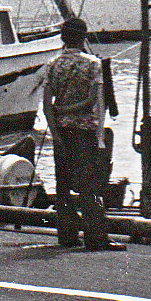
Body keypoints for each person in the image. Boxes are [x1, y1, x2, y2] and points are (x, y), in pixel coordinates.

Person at [42, 17, 124, 251]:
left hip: (61, 132)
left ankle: (66, 236)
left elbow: (47, 106)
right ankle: (96, 237)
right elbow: (98, 104)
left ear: (62, 37)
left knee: (63, 185)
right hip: (85, 132)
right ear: (84, 37)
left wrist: (56, 133)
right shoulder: (92, 64)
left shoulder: (52, 65)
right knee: (90, 186)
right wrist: (99, 138)